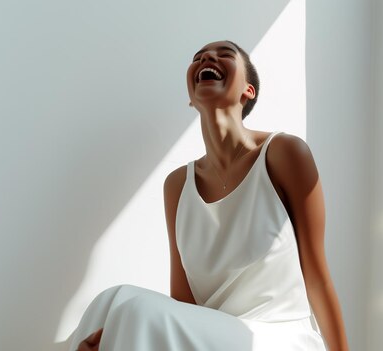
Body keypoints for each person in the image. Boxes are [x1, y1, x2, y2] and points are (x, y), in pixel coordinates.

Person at [70, 40, 349, 351]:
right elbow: (181, 305)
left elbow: (317, 277)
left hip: (278, 337)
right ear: (191, 98)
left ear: (248, 90)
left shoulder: (284, 154)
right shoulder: (177, 185)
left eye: (224, 55)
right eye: (198, 57)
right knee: (112, 301)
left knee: (135, 313)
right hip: (215, 336)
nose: (207, 58)